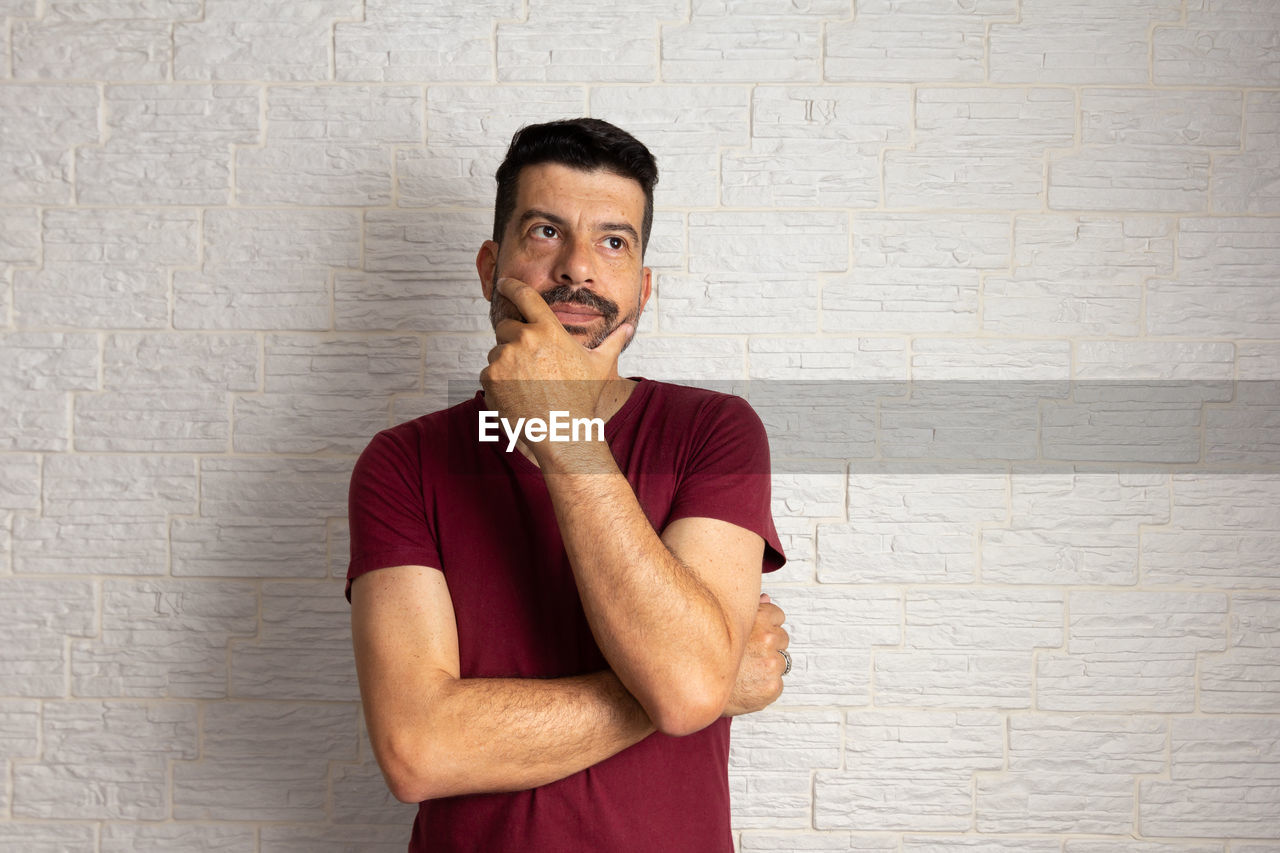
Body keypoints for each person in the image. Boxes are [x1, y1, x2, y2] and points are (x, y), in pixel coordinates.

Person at [346, 118, 791, 852]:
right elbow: (416, 749)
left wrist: (561, 431)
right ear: (490, 266)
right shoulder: (403, 462)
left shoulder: (715, 432)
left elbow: (686, 682)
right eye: (546, 232)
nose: (579, 268)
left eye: (614, 241)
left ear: (643, 286)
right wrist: (697, 686)